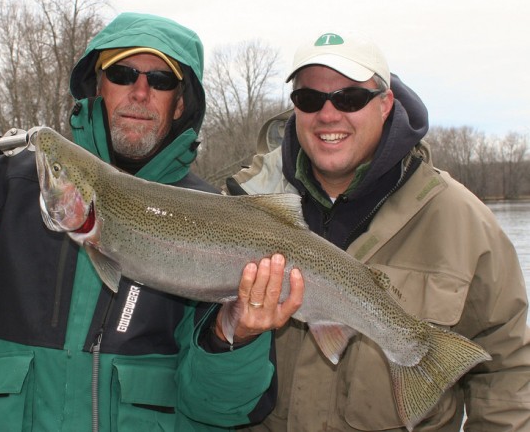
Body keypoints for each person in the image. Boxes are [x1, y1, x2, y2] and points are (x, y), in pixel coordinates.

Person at [0, 13, 303, 431]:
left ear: (181, 103)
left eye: (160, 80)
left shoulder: (216, 219)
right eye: (122, 74)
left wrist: (235, 336)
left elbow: (220, 410)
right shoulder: (9, 187)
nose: (139, 92)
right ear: (97, 86)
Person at [227, 31, 530, 431]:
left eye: (349, 99)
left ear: (386, 105)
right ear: (295, 109)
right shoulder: (240, 204)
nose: (328, 114)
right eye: (310, 99)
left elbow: (507, 376)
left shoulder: (464, 222)